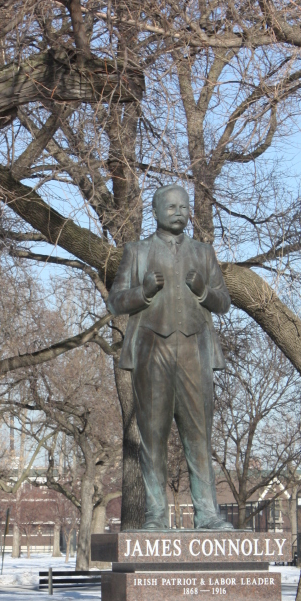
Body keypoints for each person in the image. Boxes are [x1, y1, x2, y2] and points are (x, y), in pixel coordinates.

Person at [108, 184, 233, 530]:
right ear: (156, 211)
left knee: (199, 436)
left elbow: (223, 303)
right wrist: (143, 291)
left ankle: (208, 514)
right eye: (172, 207)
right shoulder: (138, 251)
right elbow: (115, 301)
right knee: (152, 436)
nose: (179, 212)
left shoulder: (204, 253)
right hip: (152, 351)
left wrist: (204, 291)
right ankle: (155, 515)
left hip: (195, 351)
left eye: (184, 207)